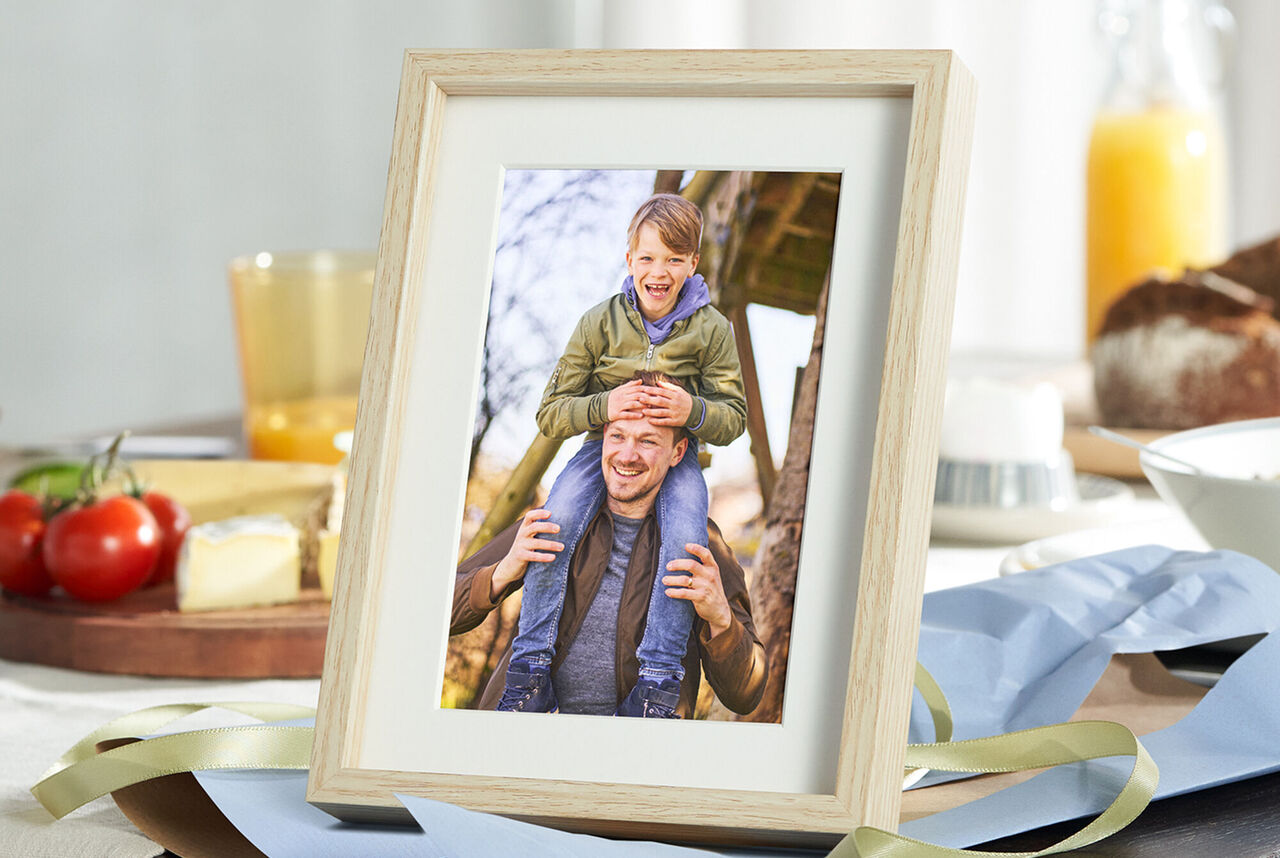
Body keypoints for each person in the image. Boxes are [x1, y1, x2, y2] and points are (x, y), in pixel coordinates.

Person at [496, 193, 749, 717]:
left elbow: (734, 418)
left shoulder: (713, 331)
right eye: (649, 258)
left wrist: (691, 408)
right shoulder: (598, 322)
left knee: (684, 544)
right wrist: (605, 403)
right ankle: (531, 666)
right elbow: (550, 413)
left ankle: (658, 678)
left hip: (675, 458)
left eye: (675, 260)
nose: (660, 271)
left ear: (693, 264)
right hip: (601, 446)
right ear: (629, 260)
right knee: (555, 522)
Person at [451, 410, 767, 719]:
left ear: (677, 452)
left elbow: (745, 695)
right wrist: (500, 573)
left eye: (648, 441)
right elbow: (440, 614)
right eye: (618, 436)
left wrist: (722, 621)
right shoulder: (554, 520)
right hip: (523, 744)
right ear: (603, 438)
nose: (627, 455)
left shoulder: (699, 545)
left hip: (633, 760)